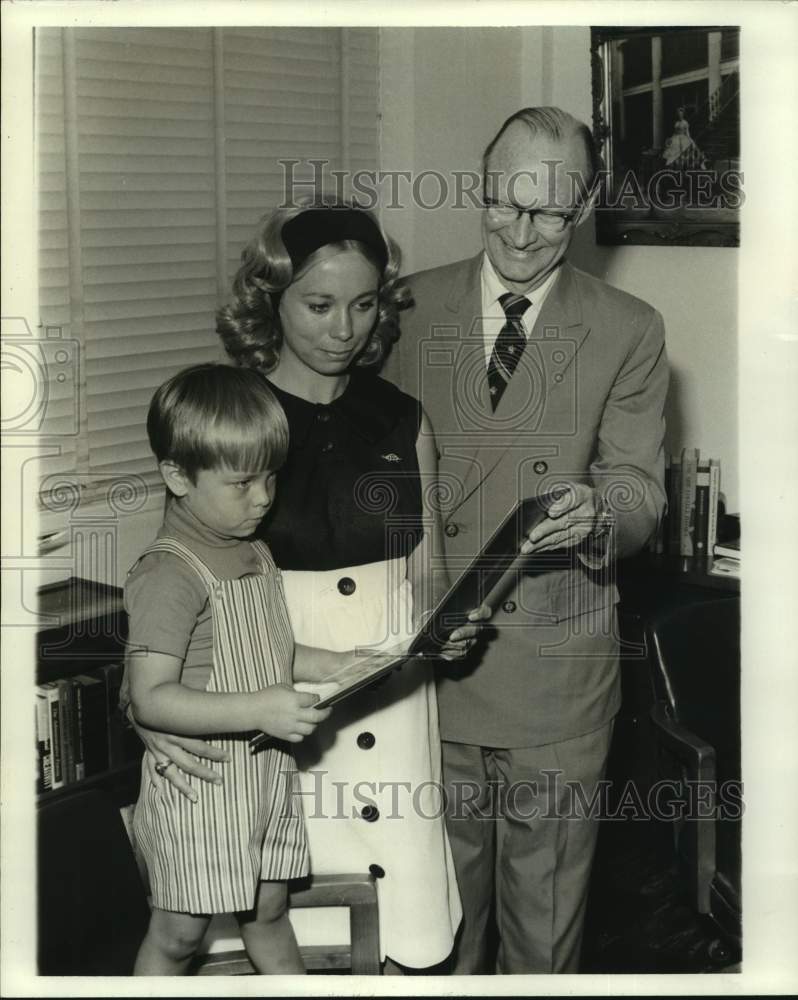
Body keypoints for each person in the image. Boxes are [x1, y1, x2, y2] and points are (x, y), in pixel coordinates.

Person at [132, 200, 483, 973]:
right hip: (277, 714)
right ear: (270, 301)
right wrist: (148, 708)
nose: (344, 329)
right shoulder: (235, 422)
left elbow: (425, 569)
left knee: (402, 933)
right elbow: (171, 575)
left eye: (363, 304)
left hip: (391, 712)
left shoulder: (402, 420)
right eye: (319, 305)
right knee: (284, 920)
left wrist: (442, 627)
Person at [383, 106, 669, 973]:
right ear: (480, 186)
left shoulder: (629, 326)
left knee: (541, 939)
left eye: (547, 213)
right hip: (427, 665)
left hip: (555, 677)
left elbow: (639, 490)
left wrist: (600, 512)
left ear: (581, 210)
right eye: (503, 203)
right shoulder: (401, 309)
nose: (520, 230)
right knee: (437, 935)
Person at [126, 363, 340, 975]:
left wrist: (349, 661)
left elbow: (274, 652)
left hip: (265, 778)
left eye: (271, 476)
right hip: (202, 790)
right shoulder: (168, 573)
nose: (265, 497)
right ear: (177, 475)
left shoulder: (254, 552)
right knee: (179, 936)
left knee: (270, 909)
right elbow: (151, 699)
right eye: (242, 482)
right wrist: (262, 707)